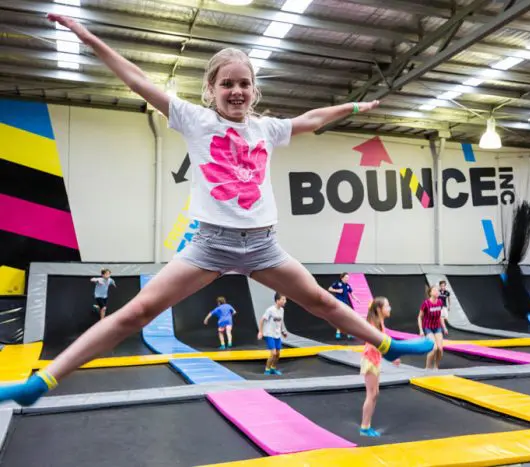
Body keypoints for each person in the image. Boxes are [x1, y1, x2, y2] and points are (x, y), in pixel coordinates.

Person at [0, 14, 434, 408]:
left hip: (265, 247)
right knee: (134, 313)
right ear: (211, 90)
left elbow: (313, 118)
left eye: (244, 83)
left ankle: (387, 345)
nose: (236, 91)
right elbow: (136, 80)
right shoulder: (194, 120)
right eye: (226, 84)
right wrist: (89, 37)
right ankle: (43, 382)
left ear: (254, 89)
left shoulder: (267, 128)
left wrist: (355, 107)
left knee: (322, 301)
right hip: (210, 246)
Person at [360, 296, 399, 437]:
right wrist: (392, 355)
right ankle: (364, 427)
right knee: (371, 394)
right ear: (379, 309)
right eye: (387, 306)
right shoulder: (373, 324)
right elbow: (377, 344)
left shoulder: (380, 323)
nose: (390, 308)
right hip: (370, 361)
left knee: (375, 394)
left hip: (375, 360)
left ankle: (367, 425)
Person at [257, 292, 288, 375]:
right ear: (277, 300)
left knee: (278, 354)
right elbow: (262, 320)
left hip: (277, 334)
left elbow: (280, 322)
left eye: (285, 299)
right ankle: (267, 369)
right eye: (283, 299)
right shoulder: (270, 310)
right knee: (273, 353)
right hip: (269, 334)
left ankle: (273, 368)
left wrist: (283, 331)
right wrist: (260, 332)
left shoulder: (282, 310)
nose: (285, 301)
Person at [418, 285, 448, 370]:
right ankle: (427, 368)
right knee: (433, 348)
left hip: (437, 327)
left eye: (437, 291)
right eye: (434, 290)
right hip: (428, 328)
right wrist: (421, 330)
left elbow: (440, 316)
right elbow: (419, 317)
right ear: (430, 293)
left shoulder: (440, 302)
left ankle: (436, 366)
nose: (437, 292)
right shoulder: (426, 303)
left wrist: (444, 327)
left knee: (440, 349)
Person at [328, 272, 358, 340]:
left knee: (348, 318)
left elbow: (352, 294)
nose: (347, 279)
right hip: (339, 304)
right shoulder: (337, 283)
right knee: (340, 318)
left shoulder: (347, 285)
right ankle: (338, 333)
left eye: (348, 278)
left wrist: (356, 299)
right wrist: (337, 290)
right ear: (342, 278)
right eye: (346, 277)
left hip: (345, 304)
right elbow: (329, 288)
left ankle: (349, 333)